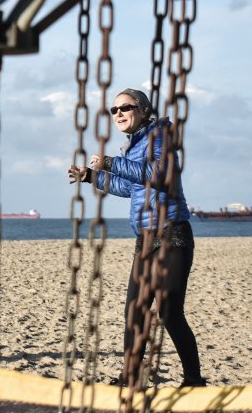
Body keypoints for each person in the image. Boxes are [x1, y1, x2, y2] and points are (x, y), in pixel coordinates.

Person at [67, 88, 206, 388]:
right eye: (113, 110)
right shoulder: (134, 146)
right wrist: (90, 176)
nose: (118, 114)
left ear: (142, 110)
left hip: (172, 233)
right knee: (136, 310)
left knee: (169, 312)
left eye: (125, 108)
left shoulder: (161, 137)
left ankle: (194, 380)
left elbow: (158, 173)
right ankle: (130, 377)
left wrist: (110, 163)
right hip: (145, 237)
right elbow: (129, 187)